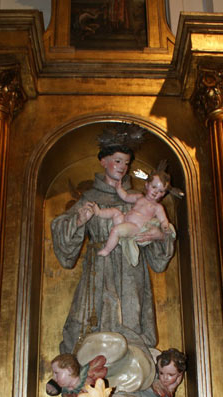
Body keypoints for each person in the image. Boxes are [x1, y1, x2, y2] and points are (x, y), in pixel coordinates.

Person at [51, 124, 176, 355]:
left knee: (131, 328)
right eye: (117, 161)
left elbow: (160, 255)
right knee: (89, 324)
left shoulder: (140, 199)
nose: (122, 167)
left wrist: (159, 236)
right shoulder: (90, 197)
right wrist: (79, 221)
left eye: (126, 163)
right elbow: (61, 232)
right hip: (98, 270)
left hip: (131, 272)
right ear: (103, 162)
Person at [92, 168, 174, 266]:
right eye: (154, 187)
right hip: (124, 221)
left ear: (164, 194)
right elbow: (126, 197)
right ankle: (99, 212)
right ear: (147, 185)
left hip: (135, 228)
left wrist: (165, 227)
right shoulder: (139, 197)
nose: (156, 192)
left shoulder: (157, 207)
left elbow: (163, 220)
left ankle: (106, 250)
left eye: (160, 191)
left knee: (116, 230)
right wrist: (119, 189)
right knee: (115, 212)